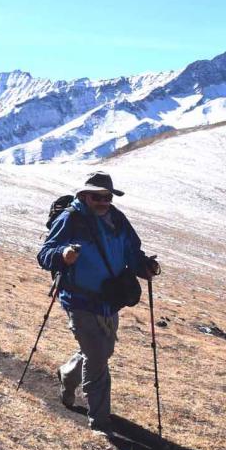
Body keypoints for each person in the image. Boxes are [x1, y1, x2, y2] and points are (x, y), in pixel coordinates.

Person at [37, 171, 159, 436]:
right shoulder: (71, 219)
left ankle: (68, 374)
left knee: (100, 352)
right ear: (84, 195)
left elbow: (132, 252)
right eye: (97, 196)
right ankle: (100, 421)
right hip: (79, 299)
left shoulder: (117, 219)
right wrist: (63, 255)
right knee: (98, 358)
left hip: (110, 300)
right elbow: (45, 253)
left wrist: (145, 267)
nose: (103, 201)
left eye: (107, 196)